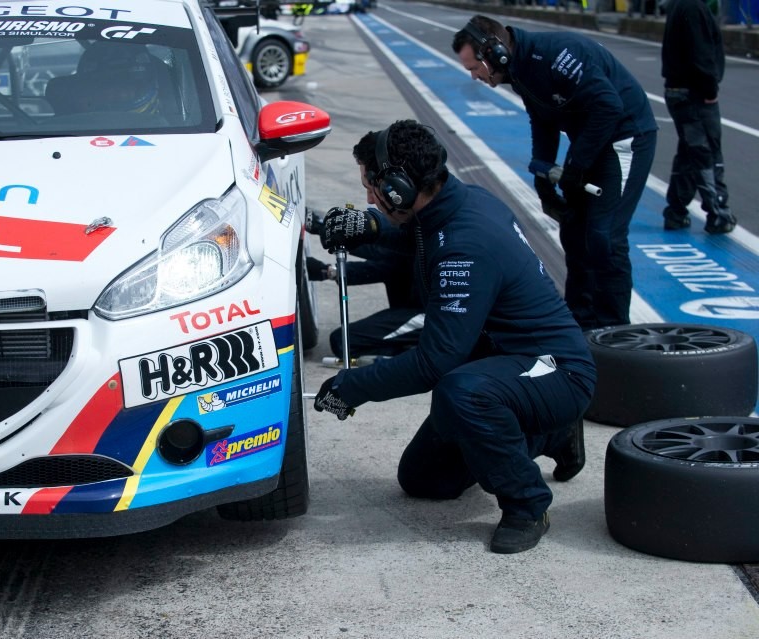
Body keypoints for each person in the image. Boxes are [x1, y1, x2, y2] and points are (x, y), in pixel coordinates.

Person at [313, 120, 597, 554]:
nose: (370, 197)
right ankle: (550, 436)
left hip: (556, 371)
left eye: (372, 188)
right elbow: (422, 235)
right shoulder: (461, 203)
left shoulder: (467, 245)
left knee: (459, 391)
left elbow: (434, 362)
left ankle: (527, 503)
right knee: (425, 480)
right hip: (500, 363)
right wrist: (369, 226)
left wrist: (354, 387)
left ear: (398, 188)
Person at [452, 15, 658, 331]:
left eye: (474, 67)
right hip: (592, 141)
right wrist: (542, 174)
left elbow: (608, 107)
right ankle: (582, 323)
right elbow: (543, 120)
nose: (474, 76)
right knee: (574, 230)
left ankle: (615, 330)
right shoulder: (519, 71)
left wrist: (575, 166)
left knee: (606, 236)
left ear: (495, 53)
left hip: (624, 137)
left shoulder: (559, 55)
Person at [305, 207, 423, 359]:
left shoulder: (442, 227)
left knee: (343, 343)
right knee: (398, 260)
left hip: (436, 315)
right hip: (417, 302)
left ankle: (416, 354)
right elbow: (391, 260)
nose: (370, 199)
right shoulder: (423, 226)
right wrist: (330, 269)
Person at [661, 0, 736, 234]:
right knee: (707, 152)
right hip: (694, 93)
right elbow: (700, 52)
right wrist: (710, 89)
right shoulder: (694, 7)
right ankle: (718, 213)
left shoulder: (680, 4)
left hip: (679, 90)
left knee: (690, 151)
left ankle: (676, 210)